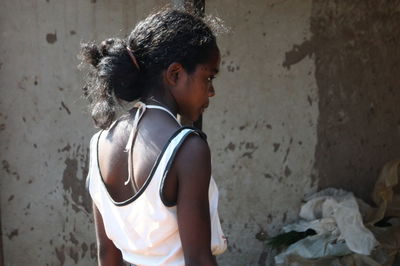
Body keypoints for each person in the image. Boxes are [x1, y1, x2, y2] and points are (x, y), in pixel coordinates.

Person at [79, 8, 227, 266]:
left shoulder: (100, 143)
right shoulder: (188, 148)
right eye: (209, 76)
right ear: (175, 74)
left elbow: (107, 255)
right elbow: (199, 259)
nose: (211, 91)